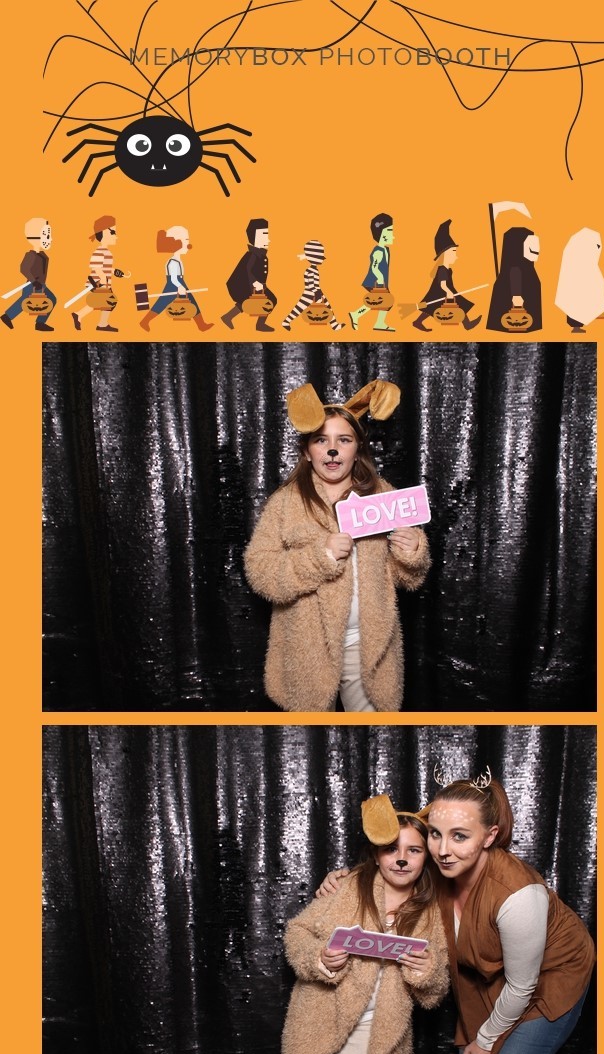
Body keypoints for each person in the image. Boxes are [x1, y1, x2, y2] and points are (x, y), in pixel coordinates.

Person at [243, 378, 430, 712]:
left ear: (357, 449)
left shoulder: (382, 495)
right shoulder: (286, 502)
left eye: (343, 440)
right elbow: (260, 571)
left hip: (369, 650)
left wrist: (412, 550)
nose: (332, 449)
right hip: (306, 651)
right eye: (321, 440)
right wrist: (321, 557)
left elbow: (407, 578)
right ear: (306, 451)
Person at [427, 771, 595, 1054]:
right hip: (487, 978)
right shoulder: (439, 868)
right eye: (435, 834)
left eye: (459, 836)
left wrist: (485, 1041)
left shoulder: (518, 895)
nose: (443, 850)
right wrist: (344, 879)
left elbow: (522, 985)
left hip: (548, 977)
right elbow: (392, 869)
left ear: (489, 836)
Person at [281, 796, 449, 1054]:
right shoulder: (347, 887)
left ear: (427, 857)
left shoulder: (432, 913)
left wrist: (427, 970)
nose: (401, 859)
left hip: (376, 1035)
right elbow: (297, 932)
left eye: (413, 850)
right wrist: (319, 959)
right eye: (391, 849)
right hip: (319, 1022)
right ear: (376, 854)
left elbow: (434, 994)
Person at [139, 225, 212, 330]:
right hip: (173, 285)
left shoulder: (178, 260)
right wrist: (179, 287)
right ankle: (145, 321)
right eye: (186, 240)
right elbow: (173, 278)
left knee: (192, 302)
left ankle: (201, 325)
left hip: (180, 282)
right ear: (176, 243)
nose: (188, 244)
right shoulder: (172, 262)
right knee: (161, 303)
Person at [221, 216, 274, 330]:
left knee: (269, 300)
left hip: (256, 285)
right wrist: (255, 283)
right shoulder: (252, 255)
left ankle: (228, 317)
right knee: (252, 301)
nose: (268, 239)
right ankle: (258, 324)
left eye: (267, 235)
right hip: (242, 285)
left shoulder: (261, 254)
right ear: (255, 237)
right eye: (264, 235)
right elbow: (247, 270)